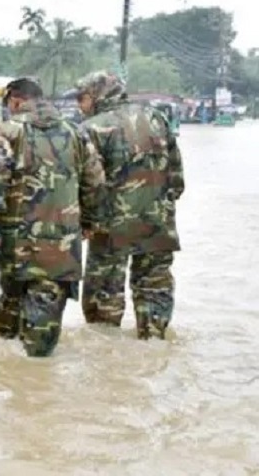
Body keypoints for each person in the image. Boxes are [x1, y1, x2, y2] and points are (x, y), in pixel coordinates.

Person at [0, 78, 104, 357]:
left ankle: (7, 386)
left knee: (8, 328)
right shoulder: (77, 133)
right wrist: (89, 222)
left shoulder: (7, 132)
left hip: (15, 246)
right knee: (40, 347)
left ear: (16, 101)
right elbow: (95, 184)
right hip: (61, 247)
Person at [75, 71, 184, 340]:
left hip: (111, 227)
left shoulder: (91, 129)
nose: (80, 105)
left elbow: (89, 183)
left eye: (83, 98)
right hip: (157, 223)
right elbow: (177, 176)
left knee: (103, 298)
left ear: (98, 95)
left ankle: (107, 362)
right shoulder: (156, 118)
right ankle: (153, 344)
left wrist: (86, 222)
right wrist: (162, 206)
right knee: (154, 287)